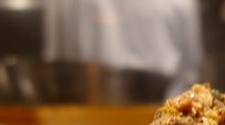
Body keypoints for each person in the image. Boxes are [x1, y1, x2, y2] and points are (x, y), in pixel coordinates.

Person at [43, 0, 203, 99]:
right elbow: (55, 70)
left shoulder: (180, 4)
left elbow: (188, 79)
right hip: (79, 116)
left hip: (159, 116)